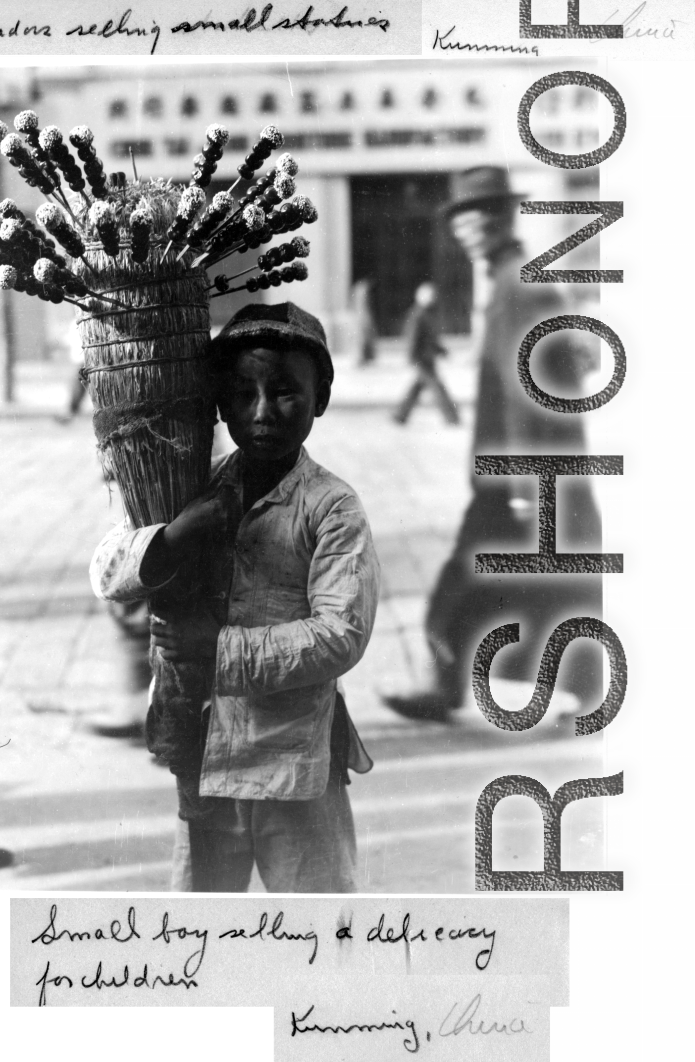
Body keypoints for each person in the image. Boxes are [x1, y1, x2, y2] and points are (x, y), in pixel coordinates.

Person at [90, 301, 380, 893]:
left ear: (320, 398)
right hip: (202, 750)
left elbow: (339, 635)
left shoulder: (332, 507)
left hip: (295, 759)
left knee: (321, 929)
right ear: (220, 405)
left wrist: (215, 647)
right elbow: (107, 574)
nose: (263, 412)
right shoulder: (190, 486)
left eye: (285, 392)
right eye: (243, 394)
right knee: (198, 933)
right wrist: (173, 536)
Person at [383, 166, 602, 724]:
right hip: (520, 471)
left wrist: (529, 483)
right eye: (457, 218)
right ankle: (569, 690)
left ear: (501, 218)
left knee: (474, 583)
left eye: (474, 216)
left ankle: (452, 684)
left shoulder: (516, 285)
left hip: (519, 473)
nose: (463, 229)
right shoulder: (511, 278)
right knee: (538, 577)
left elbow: (529, 388)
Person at [393, 283, 460, 426]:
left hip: (427, 357)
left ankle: (400, 415)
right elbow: (413, 338)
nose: (432, 298)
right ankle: (452, 418)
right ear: (420, 298)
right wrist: (411, 356)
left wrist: (442, 351)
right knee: (438, 387)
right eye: (429, 296)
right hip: (421, 359)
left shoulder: (427, 314)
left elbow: (430, 339)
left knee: (417, 388)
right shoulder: (418, 315)